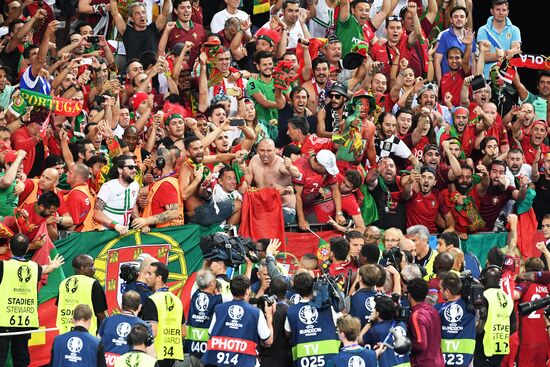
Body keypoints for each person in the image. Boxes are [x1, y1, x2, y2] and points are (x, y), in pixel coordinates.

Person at [0, 234, 63, 367]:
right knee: (22, 359)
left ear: (10, 246)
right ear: (27, 249)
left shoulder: (3, 266)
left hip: (4, 320)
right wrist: (54, 265)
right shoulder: (34, 267)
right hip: (25, 320)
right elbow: (47, 269)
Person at [202, 275, 274, 367]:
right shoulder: (256, 312)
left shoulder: (219, 309)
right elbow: (268, 341)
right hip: (247, 362)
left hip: (220, 362)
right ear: (247, 291)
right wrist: (269, 317)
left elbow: (210, 333)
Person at [285, 271, 340, 367]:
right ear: (313, 285)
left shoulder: (291, 311)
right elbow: (343, 323)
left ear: (297, 290)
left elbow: (287, 332)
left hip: (303, 362)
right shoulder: (327, 306)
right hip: (330, 360)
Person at [245, 138, 299, 224]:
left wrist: (290, 167)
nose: (265, 154)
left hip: (284, 208)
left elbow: (297, 174)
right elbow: (247, 181)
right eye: (262, 150)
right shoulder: (254, 160)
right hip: (263, 206)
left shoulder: (280, 163)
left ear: (275, 151)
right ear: (258, 150)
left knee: (264, 219)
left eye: (269, 151)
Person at [142, 262, 185, 367]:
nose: (146, 277)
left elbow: (153, 331)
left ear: (158, 278)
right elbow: (183, 332)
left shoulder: (152, 300)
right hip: (174, 354)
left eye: (149, 274)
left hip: (156, 354)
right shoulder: (177, 300)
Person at [56, 254, 108, 336]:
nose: (95, 268)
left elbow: (59, 306)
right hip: (88, 334)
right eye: (91, 265)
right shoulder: (93, 284)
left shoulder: (63, 283)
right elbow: (100, 314)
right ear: (82, 268)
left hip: (65, 333)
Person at [475, 265, 516, 367]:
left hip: (484, 347)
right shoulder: (507, 298)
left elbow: (480, 328)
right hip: (501, 348)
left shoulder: (484, 296)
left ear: (483, 279)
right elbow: (514, 327)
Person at [512, 257, 549, 367]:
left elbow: (514, 295)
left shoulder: (525, 284)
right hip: (544, 341)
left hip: (527, 341)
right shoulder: (547, 286)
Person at [184, 269, 225, 367]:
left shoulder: (194, 294)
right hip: (208, 351)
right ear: (211, 284)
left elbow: (200, 275)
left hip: (191, 348)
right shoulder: (219, 299)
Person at [93, 155, 142, 235]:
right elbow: (97, 213)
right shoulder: (108, 187)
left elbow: (132, 206)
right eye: (130, 167)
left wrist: (140, 223)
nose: (134, 171)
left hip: (125, 233)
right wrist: (116, 225)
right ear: (120, 170)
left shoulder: (135, 185)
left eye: (135, 167)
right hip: (106, 233)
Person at [99, 291, 150, 366]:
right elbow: (150, 353)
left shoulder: (107, 321)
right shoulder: (144, 326)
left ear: (121, 305)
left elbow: (97, 344)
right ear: (139, 307)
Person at [435, 272, 476, 367]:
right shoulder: (471, 308)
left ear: (447, 292)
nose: (440, 292)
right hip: (466, 361)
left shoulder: (437, 310)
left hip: (443, 362)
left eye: (441, 289)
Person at [362, 294, 411, 367]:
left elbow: (360, 339)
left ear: (377, 313)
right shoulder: (402, 324)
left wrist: (370, 321)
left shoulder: (376, 330)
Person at [140, 147, 184, 228]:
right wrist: (138, 200)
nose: (151, 165)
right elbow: (139, 192)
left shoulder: (166, 184)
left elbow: (174, 212)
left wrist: (146, 221)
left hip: (163, 233)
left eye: (153, 162)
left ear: (161, 162)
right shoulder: (163, 181)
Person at [476, 0, 521, 78]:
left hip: (509, 78)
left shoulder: (515, 30)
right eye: (497, 9)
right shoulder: (483, 30)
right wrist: (506, 53)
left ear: (507, 12)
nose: (501, 13)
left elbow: (516, 54)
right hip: (488, 78)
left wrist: (498, 55)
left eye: (504, 10)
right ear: (491, 11)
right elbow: (484, 57)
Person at [407, 277, 445, 367]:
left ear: (409, 295)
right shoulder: (433, 310)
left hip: (424, 363)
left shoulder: (416, 315)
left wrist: (405, 342)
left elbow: (420, 344)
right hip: (439, 362)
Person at [64, 163, 99, 232]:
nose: (66, 174)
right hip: (94, 229)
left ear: (78, 178)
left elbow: (71, 226)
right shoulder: (89, 189)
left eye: (70, 173)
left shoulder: (74, 195)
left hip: (82, 234)